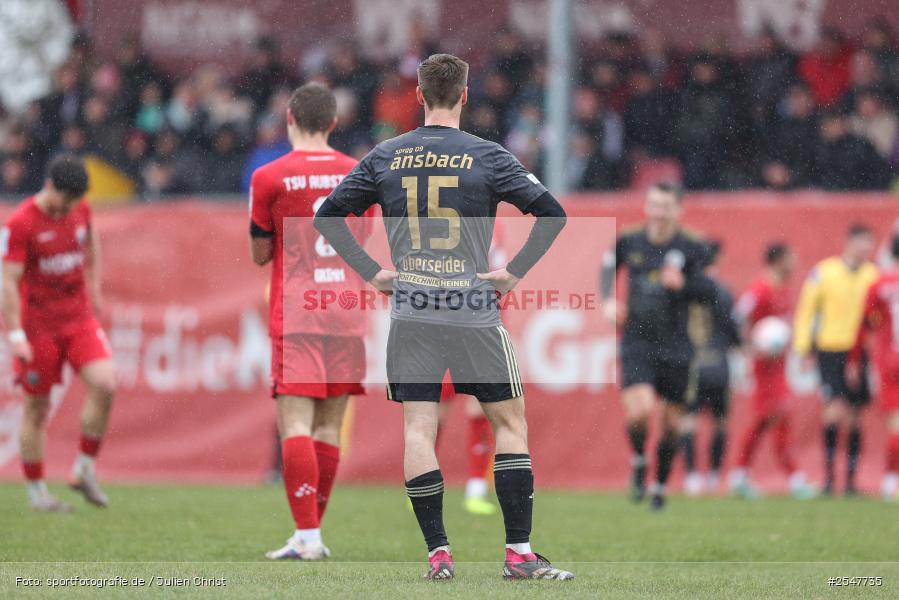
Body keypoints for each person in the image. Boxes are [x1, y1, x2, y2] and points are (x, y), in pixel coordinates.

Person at [315, 54, 573, 581]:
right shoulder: (489, 156)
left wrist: (372, 273)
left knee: (419, 428)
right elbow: (552, 213)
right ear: (465, 95)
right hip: (472, 309)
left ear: (418, 94)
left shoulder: (387, 155)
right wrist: (514, 273)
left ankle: (438, 554)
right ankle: (519, 554)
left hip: (412, 309)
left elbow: (328, 215)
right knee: (509, 423)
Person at [249, 83, 370, 560]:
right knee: (329, 426)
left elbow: (260, 254)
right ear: (334, 123)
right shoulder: (358, 172)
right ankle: (310, 533)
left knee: (295, 423)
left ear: (289, 119)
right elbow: (362, 238)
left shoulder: (269, 176)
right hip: (345, 307)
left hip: (298, 307)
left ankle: (308, 535)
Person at [2, 155, 116, 512]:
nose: (67, 208)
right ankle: (37, 493)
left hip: (78, 319)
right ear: (50, 186)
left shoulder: (80, 209)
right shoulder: (21, 222)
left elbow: (92, 243)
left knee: (105, 384)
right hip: (39, 328)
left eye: (73, 202)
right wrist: (15, 335)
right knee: (37, 409)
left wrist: (94, 287)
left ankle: (83, 469)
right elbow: (8, 280)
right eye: (64, 201)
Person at [600, 181, 714, 511]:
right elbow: (606, 268)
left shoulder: (693, 246)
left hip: (678, 345)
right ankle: (639, 460)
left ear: (678, 210)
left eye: (665, 207)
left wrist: (685, 284)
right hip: (637, 341)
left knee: (672, 426)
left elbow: (709, 291)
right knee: (640, 412)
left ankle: (660, 486)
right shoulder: (629, 240)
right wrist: (608, 301)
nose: (659, 213)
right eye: (654, 205)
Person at [793, 224, 879, 496]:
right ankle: (829, 478)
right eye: (861, 242)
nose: (865, 248)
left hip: (860, 351)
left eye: (869, 243)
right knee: (832, 411)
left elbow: (879, 316)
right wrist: (804, 348)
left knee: (855, 416)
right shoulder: (824, 272)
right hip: (829, 349)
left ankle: (850, 482)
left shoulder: (873, 275)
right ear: (848, 242)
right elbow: (807, 310)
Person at [728, 243, 815, 499]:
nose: (795, 263)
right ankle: (795, 479)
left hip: (779, 366)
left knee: (762, 420)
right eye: (791, 258)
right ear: (778, 261)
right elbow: (737, 318)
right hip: (763, 369)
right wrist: (752, 347)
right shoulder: (760, 289)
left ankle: (739, 476)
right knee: (780, 416)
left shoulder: (784, 289)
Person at [680, 241, 740, 496]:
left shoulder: (683, 291)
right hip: (718, 365)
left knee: (688, 420)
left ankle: (692, 476)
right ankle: (714, 475)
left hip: (691, 364)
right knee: (720, 422)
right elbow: (734, 331)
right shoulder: (723, 292)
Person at [850, 234, 899, 501]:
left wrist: (853, 360)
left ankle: (891, 480)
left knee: (895, 423)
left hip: (889, 360)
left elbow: (865, 323)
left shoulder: (879, 284)